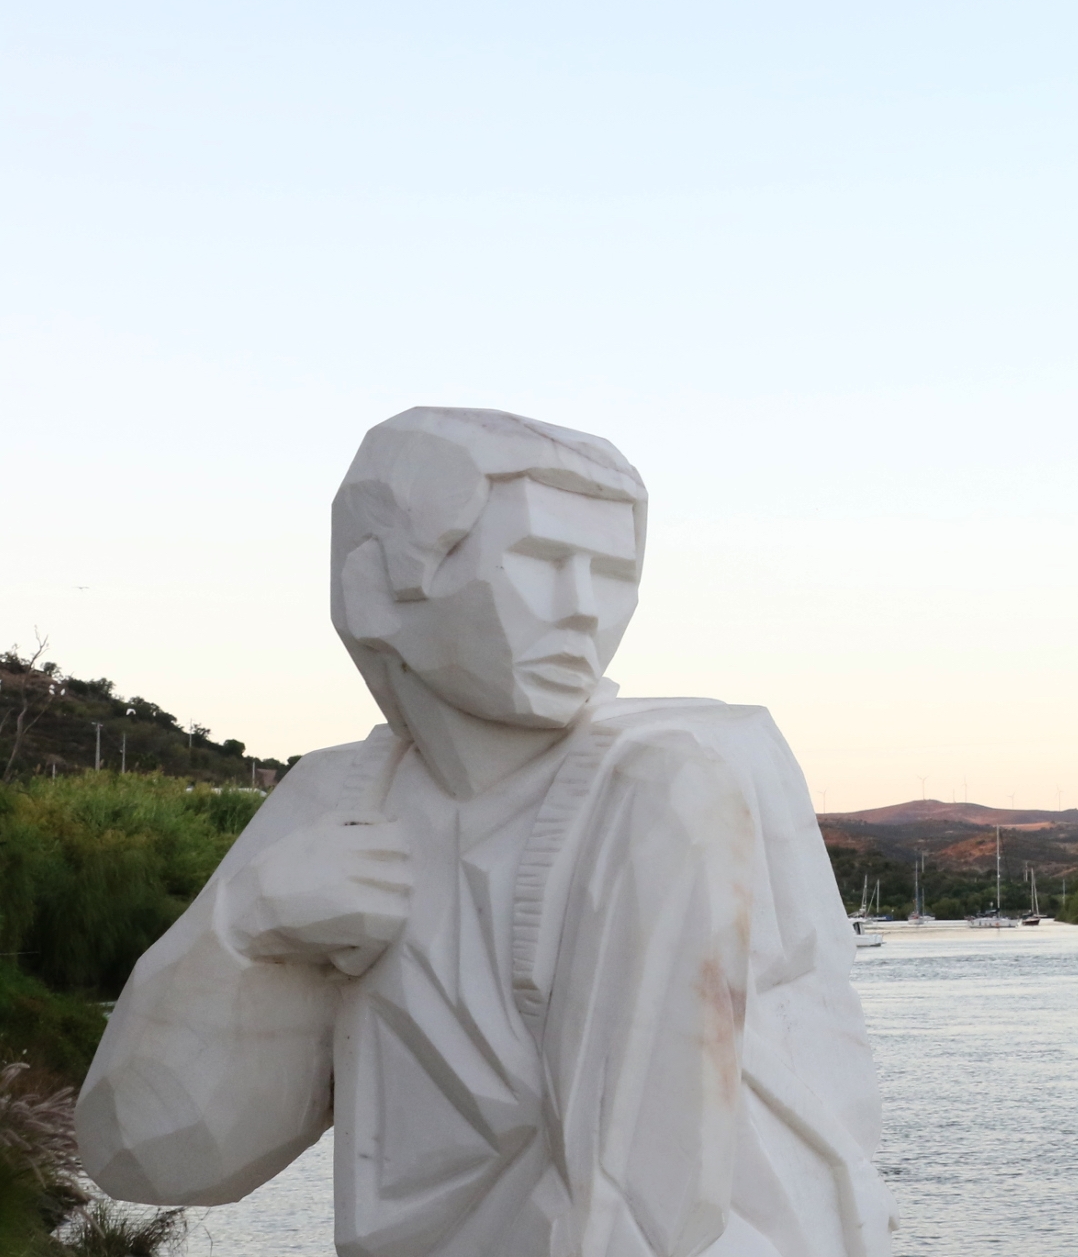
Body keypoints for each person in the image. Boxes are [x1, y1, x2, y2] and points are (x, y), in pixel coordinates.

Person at [78, 408, 893, 1257]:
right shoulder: (341, 797)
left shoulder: (670, 780)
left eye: (612, 574)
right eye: (538, 562)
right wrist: (245, 930)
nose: (583, 611)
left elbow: (644, 1199)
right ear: (374, 590)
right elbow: (152, 1159)